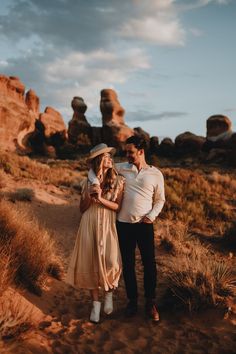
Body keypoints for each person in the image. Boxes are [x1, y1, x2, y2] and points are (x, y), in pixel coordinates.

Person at [66, 143, 125, 323]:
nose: (110, 158)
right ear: (99, 160)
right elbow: (82, 208)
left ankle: (108, 295)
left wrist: (100, 199)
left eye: (110, 156)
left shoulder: (118, 181)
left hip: (108, 223)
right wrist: (90, 198)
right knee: (91, 264)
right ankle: (96, 305)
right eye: (106, 156)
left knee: (112, 261)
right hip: (89, 222)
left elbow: (117, 207)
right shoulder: (87, 182)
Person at [115, 135, 165, 321]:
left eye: (130, 152)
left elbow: (160, 199)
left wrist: (151, 217)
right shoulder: (120, 168)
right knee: (128, 265)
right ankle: (132, 301)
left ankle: (151, 303)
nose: (127, 155)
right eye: (126, 151)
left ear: (141, 151)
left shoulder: (155, 174)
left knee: (149, 264)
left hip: (144, 225)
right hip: (123, 224)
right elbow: (99, 169)